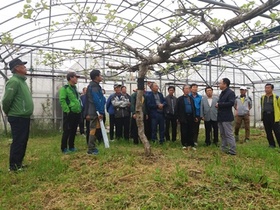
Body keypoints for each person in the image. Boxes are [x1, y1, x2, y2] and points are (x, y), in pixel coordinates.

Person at [2, 58, 34, 171]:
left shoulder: (22, 81)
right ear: (16, 68)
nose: (25, 67)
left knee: (23, 140)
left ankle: (18, 163)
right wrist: (9, 112)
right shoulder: (14, 81)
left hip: (23, 116)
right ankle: (14, 166)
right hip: (17, 116)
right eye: (23, 66)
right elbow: (6, 100)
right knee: (18, 141)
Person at [59, 72, 82, 153]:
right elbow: (62, 100)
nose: (77, 79)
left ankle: (71, 146)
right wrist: (67, 111)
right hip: (70, 112)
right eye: (76, 77)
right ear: (71, 78)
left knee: (73, 130)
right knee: (67, 130)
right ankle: (64, 148)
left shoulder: (75, 88)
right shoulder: (65, 88)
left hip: (77, 112)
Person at [84, 70, 105, 155]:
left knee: (95, 129)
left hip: (94, 110)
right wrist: (100, 112)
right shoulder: (94, 87)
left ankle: (93, 146)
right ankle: (91, 149)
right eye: (100, 75)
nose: (101, 77)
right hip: (94, 111)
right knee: (92, 129)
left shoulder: (95, 86)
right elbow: (97, 100)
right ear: (96, 77)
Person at [215, 78, 236, 155]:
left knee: (228, 134)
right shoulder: (222, 93)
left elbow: (231, 103)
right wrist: (218, 104)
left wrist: (219, 104)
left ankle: (232, 150)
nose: (219, 85)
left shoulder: (230, 93)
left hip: (226, 117)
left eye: (220, 83)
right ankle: (224, 148)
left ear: (225, 84)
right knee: (222, 133)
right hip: (221, 117)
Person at [176, 85, 197, 150]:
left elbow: (193, 108)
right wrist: (178, 118)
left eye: (188, 89)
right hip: (183, 116)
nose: (187, 90)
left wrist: (194, 116)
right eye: (186, 89)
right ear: (183, 90)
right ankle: (184, 144)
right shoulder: (180, 99)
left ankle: (191, 144)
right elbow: (177, 109)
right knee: (184, 130)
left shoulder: (191, 98)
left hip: (191, 116)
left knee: (191, 130)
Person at [260, 83, 280, 148]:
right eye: (266, 88)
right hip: (265, 116)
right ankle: (271, 144)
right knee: (268, 131)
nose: (266, 89)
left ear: (272, 89)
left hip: (273, 116)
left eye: (268, 88)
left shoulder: (276, 97)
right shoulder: (263, 97)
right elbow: (262, 106)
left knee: (277, 131)